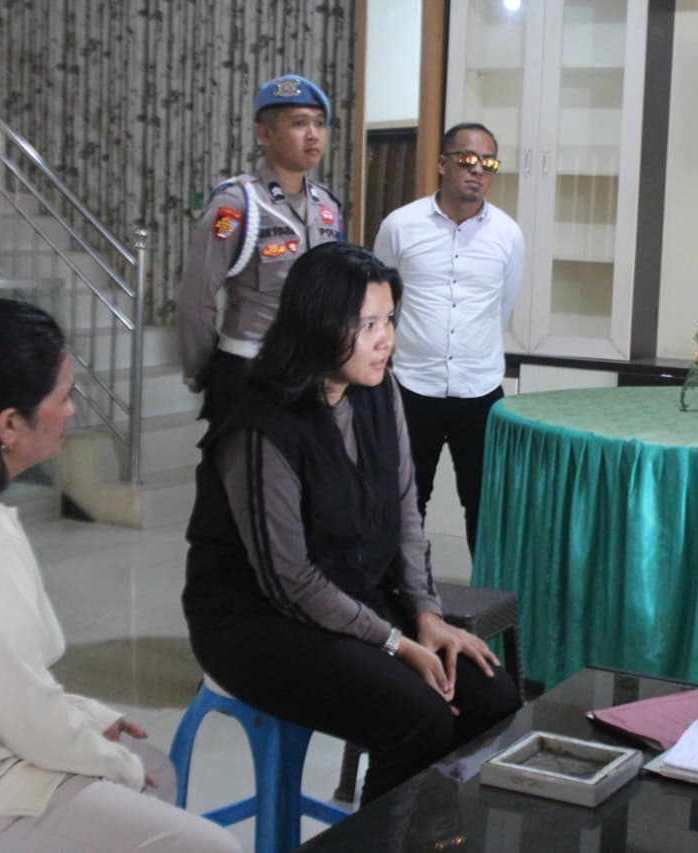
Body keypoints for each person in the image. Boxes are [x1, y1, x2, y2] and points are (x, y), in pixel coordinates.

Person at [0, 299, 239, 853]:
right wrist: (110, 759)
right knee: (210, 844)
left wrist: (85, 717)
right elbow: (18, 710)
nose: (73, 411)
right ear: (9, 424)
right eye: (64, 396)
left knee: (152, 769)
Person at [182, 243, 521, 805]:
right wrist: (395, 644)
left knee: (493, 698)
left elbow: (407, 514)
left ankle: (437, 834)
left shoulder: (378, 391)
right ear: (317, 324)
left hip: (355, 600)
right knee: (420, 718)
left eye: (389, 320)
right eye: (368, 325)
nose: (386, 339)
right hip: (258, 623)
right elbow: (289, 580)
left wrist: (427, 616)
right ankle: (382, 839)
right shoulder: (260, 426)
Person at [373, 122, 525, 554]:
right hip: (411, 387)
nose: (478, 170)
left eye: (488, 163)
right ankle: (401, 589)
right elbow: (380, 303)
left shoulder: (508, 235)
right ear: (442, 163)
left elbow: (502, 307)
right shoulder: (400, 226)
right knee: (404, 502)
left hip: (480, 391)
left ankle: (487, 594)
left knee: (485, 506)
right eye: (467, 159)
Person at [178, 73, 343, 424]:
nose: (313, 135)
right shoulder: (237, 205)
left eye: (319, 123)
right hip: (251, 366)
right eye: (299, 123)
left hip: (312, 368)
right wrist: (203, 368)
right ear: (265, 134)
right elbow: (196, 295)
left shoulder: (327, 205)